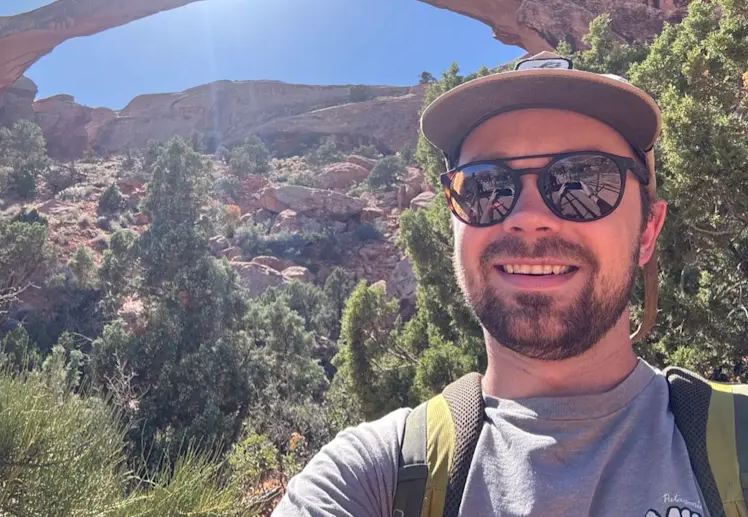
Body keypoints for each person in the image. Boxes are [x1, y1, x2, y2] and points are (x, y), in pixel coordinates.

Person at [271, 53, 714, 517]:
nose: (528, 219)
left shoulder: (734, 448)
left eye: (583, 179)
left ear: (647, 230)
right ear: (453, 226)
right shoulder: (372, 478)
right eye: (486, 187)